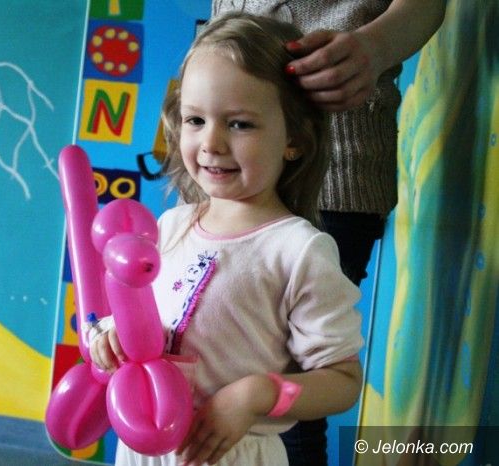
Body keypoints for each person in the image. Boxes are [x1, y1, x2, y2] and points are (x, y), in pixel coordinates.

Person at [90, 12, 364, 466]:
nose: (211, 142)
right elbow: (141, 321)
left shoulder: (298, 250)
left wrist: (256, 395)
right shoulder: (171, 226)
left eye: (239, 124)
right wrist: (111, 337)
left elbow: (343, 381)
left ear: (294, 139)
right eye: (195, 119)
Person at [211, 2, 447, 464]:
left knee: (291, 395)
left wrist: (375, 46)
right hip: (219, 176)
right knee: (212, 362)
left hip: (332, 172)